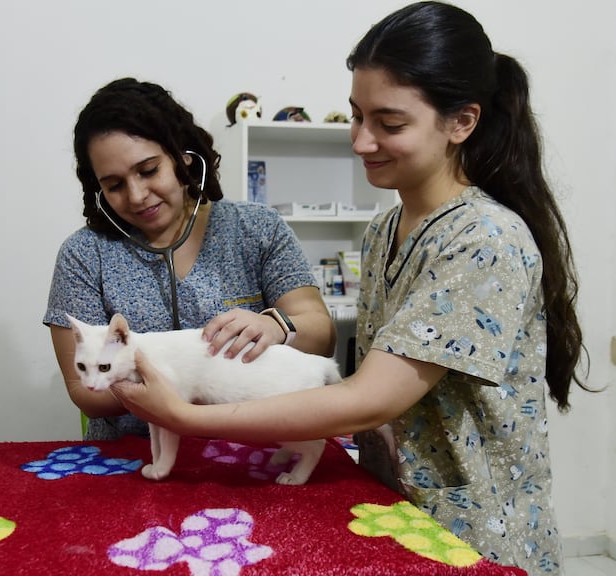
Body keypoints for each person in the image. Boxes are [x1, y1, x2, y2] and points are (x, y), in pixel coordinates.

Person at [110, 3, 589, 574]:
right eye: (356, 117)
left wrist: (190, 418)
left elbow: (369, 397)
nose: (361, 142)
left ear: (461, 122)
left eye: (389, 124)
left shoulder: (484, 239)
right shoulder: (386, 229)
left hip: (474, 535)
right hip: (398, 513)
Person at [44, 77, 336, 442]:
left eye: (149, 170)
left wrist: (279, 326)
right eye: (115, 185)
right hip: (131, 459)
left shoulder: (258, 228)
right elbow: (85, 393)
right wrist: (183, 380)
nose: (136, 196)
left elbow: (321, 336)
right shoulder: (83, 255)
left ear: (183, 157)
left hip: (250, 448)